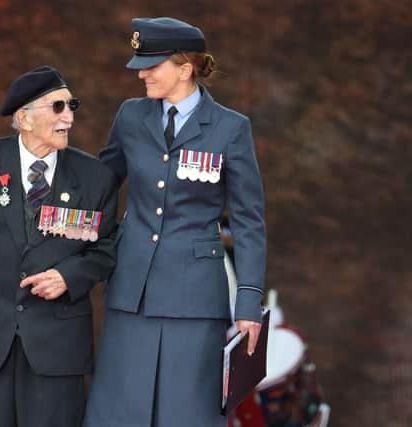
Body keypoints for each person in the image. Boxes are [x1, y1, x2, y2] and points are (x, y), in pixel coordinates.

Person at [83, 17, 267, 427]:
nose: (141, 73)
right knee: (118, 413)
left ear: (185, 69)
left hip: (195, 299)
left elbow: (248, 220)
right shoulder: (131, 116)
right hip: (132, 291)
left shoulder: (231, 129)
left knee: (187, 414)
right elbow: (100, 184)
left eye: (152, 65)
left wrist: (249, 303)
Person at [0, 65, 118, 427]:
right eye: (57, 107)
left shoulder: (95, 176)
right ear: (24, 118)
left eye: (71, 106)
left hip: (58, 342)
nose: (69, 117)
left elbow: (108, 247)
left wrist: (68, 276)